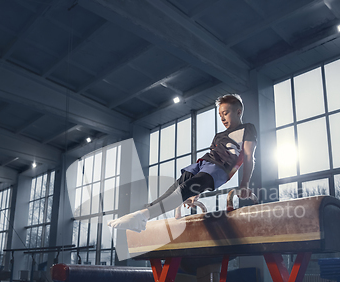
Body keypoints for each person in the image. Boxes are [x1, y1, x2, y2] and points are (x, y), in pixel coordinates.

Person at [108, 94, 257, 232]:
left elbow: (249, 157)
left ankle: (142, 216)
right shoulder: (219, 135)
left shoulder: (248, 128)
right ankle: (142, 214)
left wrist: (244, 184)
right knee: (175, 188)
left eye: (225, 113)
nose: (222, 118)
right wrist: (196, 192)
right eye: (220, 115)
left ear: (238, 112)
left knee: (186, 188)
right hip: (203, 163)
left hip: (220, 168)